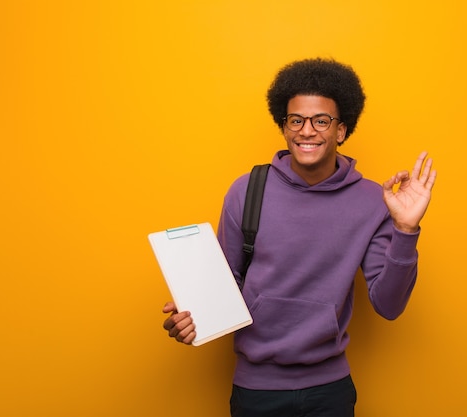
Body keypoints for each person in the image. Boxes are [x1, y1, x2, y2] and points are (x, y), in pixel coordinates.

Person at [162, 58, 437, 417]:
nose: (307, 131)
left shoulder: (373, 201)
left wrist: (405, 229)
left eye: (321, 120)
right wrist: (192, 316)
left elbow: (389, 305)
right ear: (284, 126)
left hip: (330, 390)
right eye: (296, 120)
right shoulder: (247, 191)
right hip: (255, 389)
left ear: (341, 130)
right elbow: (224, 284)